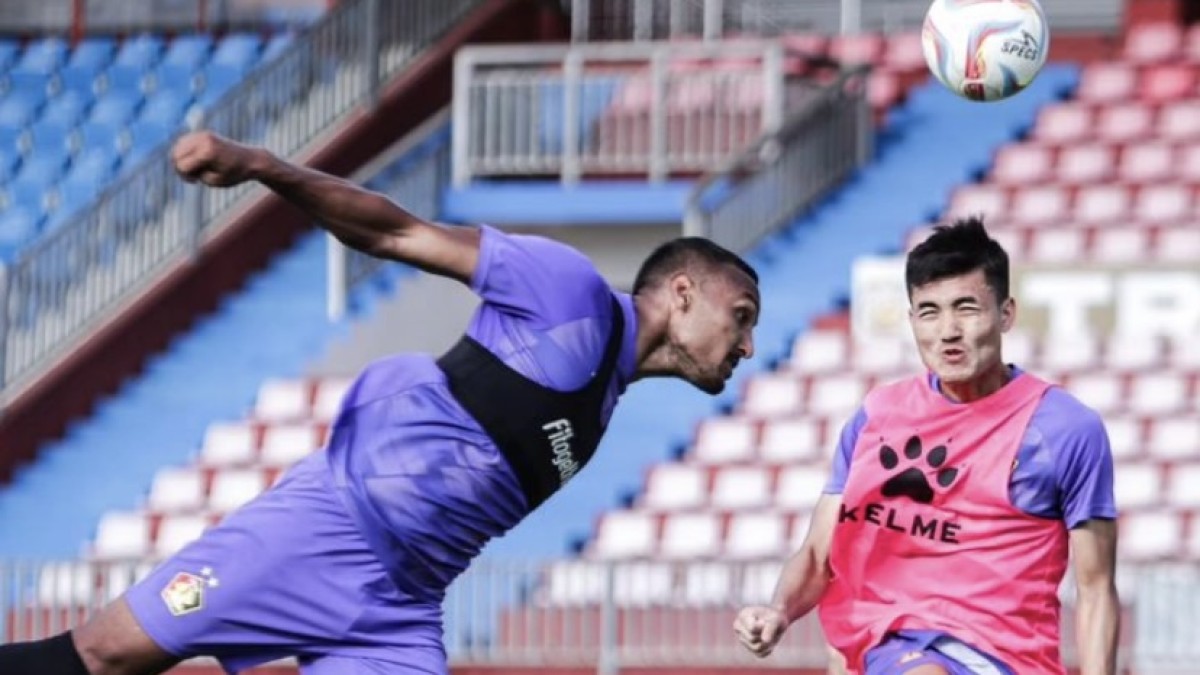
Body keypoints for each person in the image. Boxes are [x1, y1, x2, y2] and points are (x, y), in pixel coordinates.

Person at [0, 130, 761, 675]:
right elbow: (398, 233)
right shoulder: (567, 291)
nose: (747, 344)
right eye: (742, 314)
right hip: (326, 530)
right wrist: (264, 166)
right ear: (684, 291)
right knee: (105, 654)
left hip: (400, 610)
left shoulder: (604, 405)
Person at [734, 218, 1119, 675]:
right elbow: (820, 553)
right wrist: (779, 610)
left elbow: (1095, 588)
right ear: (913, 320)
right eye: (930, 312)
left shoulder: (1065, 429)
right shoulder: (877, 416)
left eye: (966, 308)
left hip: (1008, 659)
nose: (948, 330)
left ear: (1006, 313)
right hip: (895, 643)